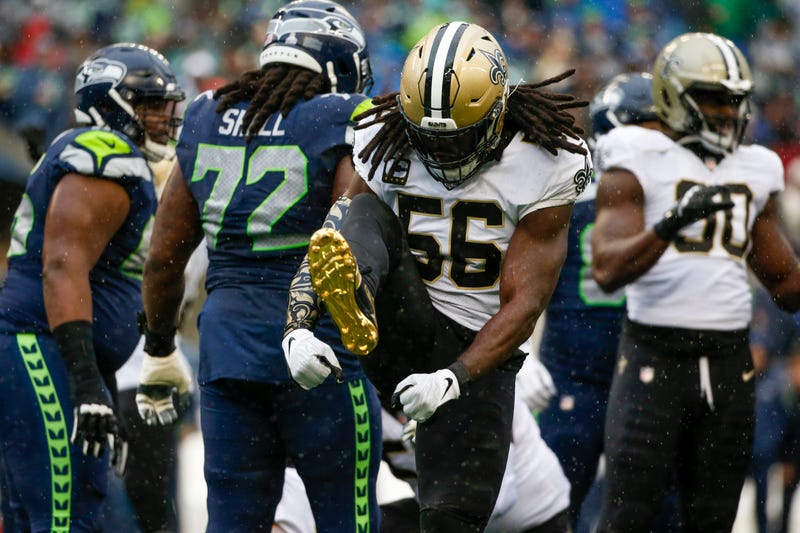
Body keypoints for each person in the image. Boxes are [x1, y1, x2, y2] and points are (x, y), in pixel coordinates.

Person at [281, 20, 591, 532]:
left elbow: (525, 303)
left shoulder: (547, 160)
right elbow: (336, 231)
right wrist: (296, 327)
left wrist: (455, 377)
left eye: (458, 137)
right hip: (400, 315)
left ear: (497, 112)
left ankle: (369, 317)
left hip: (479, 348)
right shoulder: (385, 135)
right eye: (427, 137)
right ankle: (354, 299)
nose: (441, 152)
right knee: (363, 212)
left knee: (451, 520)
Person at [139, 1, 383, 531]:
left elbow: (162, 259)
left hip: (228, 352)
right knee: (348, 519)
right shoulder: (344, 118)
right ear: (341, 63)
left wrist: (158, 346)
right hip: (321, 350)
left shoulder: (208, 112)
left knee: (232, 520)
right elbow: (347, 240)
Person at [591, 32, 800, 532]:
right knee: (628, 515)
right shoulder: (635, 152)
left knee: (713, 520)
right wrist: (670, 224)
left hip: (730, 363)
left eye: (733, 99)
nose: (726, 112)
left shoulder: (755, 167)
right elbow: (607, 270)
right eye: (711, 98)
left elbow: (787, 287)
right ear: (671, 97)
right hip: (654, 356)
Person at [0, 42, 184, 531]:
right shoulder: (104, 153)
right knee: (65, 516)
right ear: (112, 103)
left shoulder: (109, 157)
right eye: (150, 105)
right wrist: (85, 383)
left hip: (47, 351)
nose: (165, 117)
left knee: (43, 515)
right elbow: (62, 266)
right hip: (40, 347)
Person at [536, 72, 657, 530]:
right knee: (559, 506)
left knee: (566, 507)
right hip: (592, 368)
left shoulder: (567, 181)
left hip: (607, 366)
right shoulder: (570, 185)